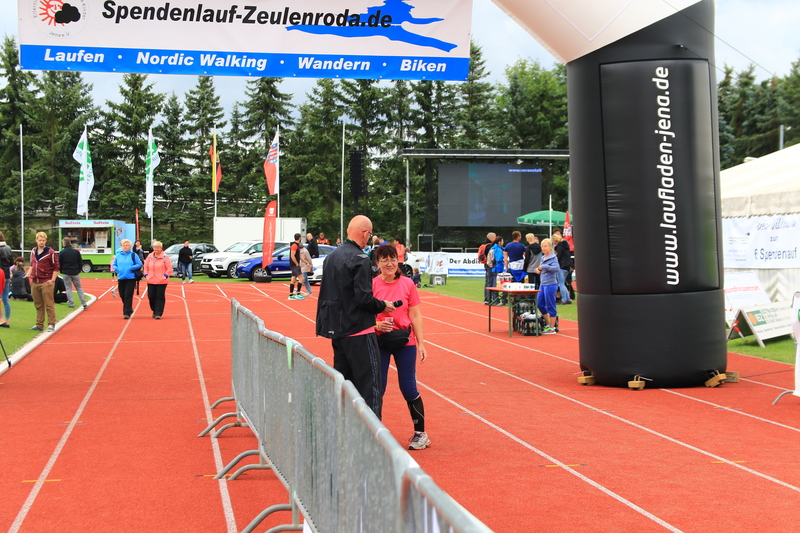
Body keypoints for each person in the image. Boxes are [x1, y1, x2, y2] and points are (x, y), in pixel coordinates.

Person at [315, 215, 396, 418]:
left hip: (337, 331)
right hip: (359, 330)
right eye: (369, 234)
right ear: (365, 233)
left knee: (344, 384)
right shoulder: (360, 258)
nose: (369, 238)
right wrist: (382, 306)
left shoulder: (331, 257)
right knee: (371, 387)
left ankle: (343, 429)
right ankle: (371, 434)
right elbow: (363, 298)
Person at [372, 245, 430, 450]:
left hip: (405, 341)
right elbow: (364, 314)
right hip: (380, 341)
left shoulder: (407, 284)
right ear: (377, 263)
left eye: (393, 259)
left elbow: (415, 314)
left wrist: (421, 343)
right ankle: (373, 432)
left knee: (408, 387)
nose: (389, 264)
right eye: (384, 260)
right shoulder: (372, 285)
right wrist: (376, 325)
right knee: (378, 387)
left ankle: (421, 433)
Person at [27, 231, 60, 332]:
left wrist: (52, 280)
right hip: (35, 281)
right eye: (40, 240)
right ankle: (39, 324)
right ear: (36, 240)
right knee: (38, 304)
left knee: (49, 304)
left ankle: (51, 324)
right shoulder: (33, 251)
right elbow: (32, 265)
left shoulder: (50, 252)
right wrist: (29, 274)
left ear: (46, 241)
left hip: (46, 281)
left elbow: (56, 267)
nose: (41, 242)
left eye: (43, 240)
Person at [110, 238, 142, 319]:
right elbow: (114, 264)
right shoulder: (118, 256)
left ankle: (126, 312)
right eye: (124, 245)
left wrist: (131, 267)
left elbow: (139, 264)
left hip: (130, 278)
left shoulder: (133, 255)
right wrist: (117, 269)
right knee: (122, 294)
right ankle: (129, 309)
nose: (125, 246)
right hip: (121, 277)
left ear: (130, 246)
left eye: (127, 245)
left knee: (128, 295)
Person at [143, 240, 173, 319]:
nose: (156, 249)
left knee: (159, 296)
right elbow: (146, 266)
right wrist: (146, 274)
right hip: (151, 279)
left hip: (161, 280)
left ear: (161, 248)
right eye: (155, 247)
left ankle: (158, 313)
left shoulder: (165, 257)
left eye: (158, 248)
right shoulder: (149, 256)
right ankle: (154, 309)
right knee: (151, 296)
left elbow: (169, 268)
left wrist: (166, 275)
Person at [537, 238, 560, 334]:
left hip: (550, 284)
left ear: (550, 247)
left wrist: (544, 267)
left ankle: (552, 327)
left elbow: (556, 268)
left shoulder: (553, 257)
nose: (543, 248)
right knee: (540, 304)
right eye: (542, 246)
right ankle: (548, 323)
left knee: (550, 305)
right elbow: (542, 268)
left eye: (545, 246)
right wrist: (538, 270)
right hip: (543, 284)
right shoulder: (543, 257)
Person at [59, 237, 88, 310]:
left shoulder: (62, 252)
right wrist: (79, 270)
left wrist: (61, 270)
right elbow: (80, 262)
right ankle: (84, 303)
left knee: (68, 288)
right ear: (70, 243)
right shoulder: (76, 252)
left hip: (66, 272)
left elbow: (60, 263)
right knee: (79, 287)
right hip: (75, 272)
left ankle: (71, 303)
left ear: (64, 243)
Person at [552, 233, 573, 304]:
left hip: (561, 266)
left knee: (561, 284)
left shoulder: (559, 247)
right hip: (567, 266)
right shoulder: (565, 246)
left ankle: (564, 299)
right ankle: (568, 298)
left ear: (555, 240)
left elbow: (558, 257)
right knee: (563, 283)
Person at [489, 236, 506, 306]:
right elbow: (498, 259)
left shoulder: (493, 248)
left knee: (494, 283)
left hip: (494, 268)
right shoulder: (498, 249)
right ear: (499, 242)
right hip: (498, 268)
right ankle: (498, 300)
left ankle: (495, 299)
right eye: (502, 241)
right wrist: (504, 256)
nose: (503, 242)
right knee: (498, 284)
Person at [0, 231, 12, 327]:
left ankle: (1, 319)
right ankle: (7, 320)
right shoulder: (8, 248)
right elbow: (11, 262)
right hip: (7, 274)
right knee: (5, 299)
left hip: (0, 274)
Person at [481, 232, 496, 304]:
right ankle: (490, 298)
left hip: (486, 265)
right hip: (490, 265)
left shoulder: (485, 246)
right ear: (491, 238)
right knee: (491, 282)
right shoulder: (490, 247)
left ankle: (487, 298)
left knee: (487, 282)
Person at [288, 233, 305, 300]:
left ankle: (291, 294)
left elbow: (299, 256)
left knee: (293, 279)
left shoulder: (297, 245)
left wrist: (306, 262)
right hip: (294, 265)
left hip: (295, 264)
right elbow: (292, 255)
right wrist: (296, 263)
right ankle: (298, 293)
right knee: (302, 278)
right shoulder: (294, 245)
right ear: (299, 238)